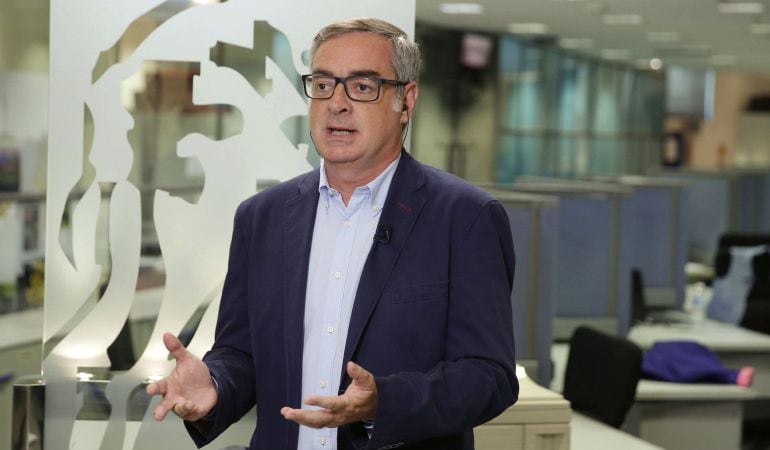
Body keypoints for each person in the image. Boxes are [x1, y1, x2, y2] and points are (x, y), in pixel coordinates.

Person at [146, 17, 518, 450]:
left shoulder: (465, 218)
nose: (336, 104)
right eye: (323, 84)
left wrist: (384, 402)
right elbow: (242, 354)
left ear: (406, 100)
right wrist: (215, 386)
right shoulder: (261, 218)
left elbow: (488, 376)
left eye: (362, 87)